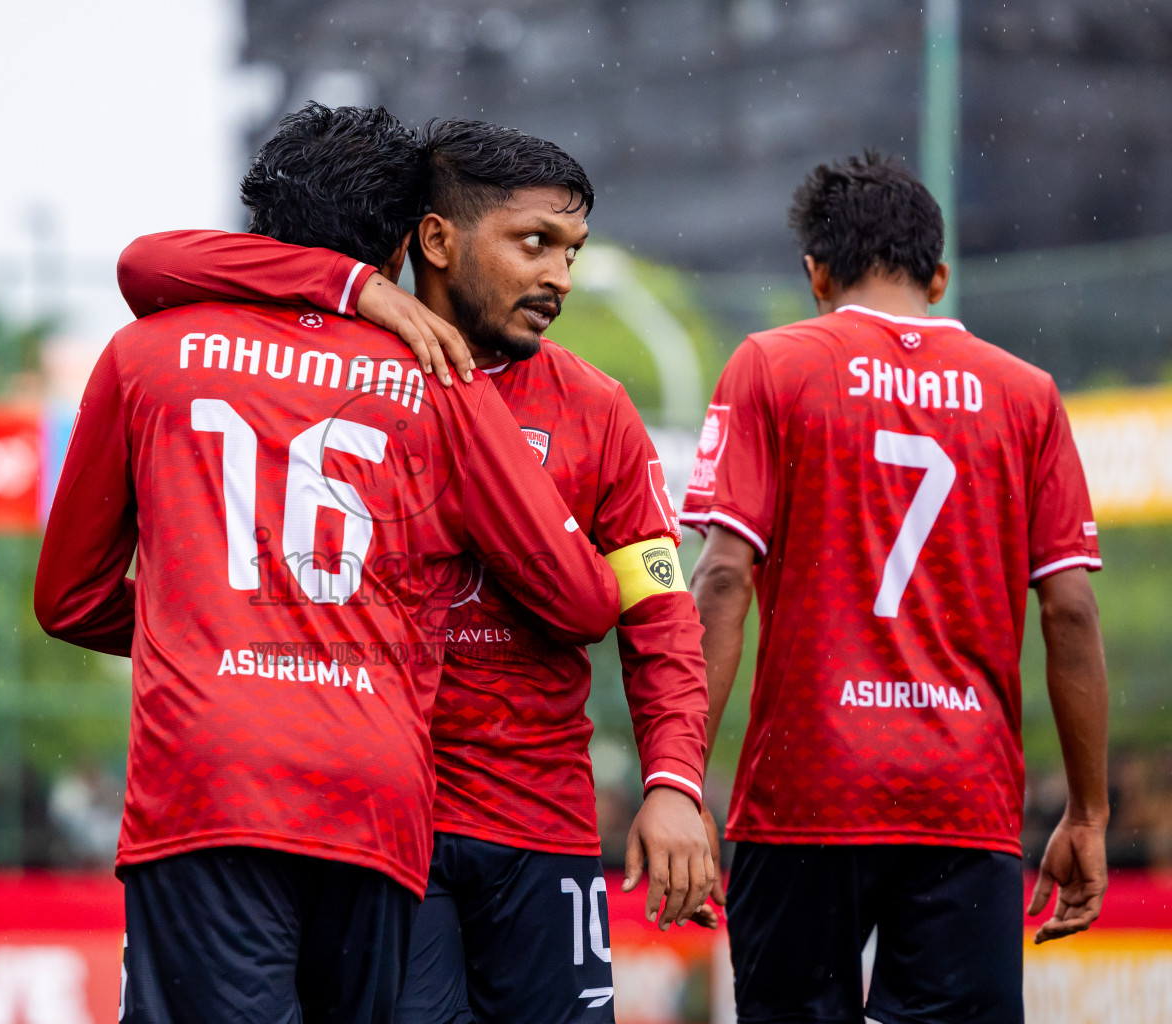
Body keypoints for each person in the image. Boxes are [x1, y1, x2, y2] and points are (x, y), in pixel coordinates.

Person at [116, 117, 714, 1024]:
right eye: (533, 243)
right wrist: (352, 287)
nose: (558, 275)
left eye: (571, 250)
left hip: (542, 823)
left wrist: (672, 780)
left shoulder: (598, 410)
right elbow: (153, 265)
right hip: (397, 823)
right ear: (431, 241)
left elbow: (655, 611)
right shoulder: (357, 371)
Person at [682, 152, 1109, 1024]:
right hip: (963, 796)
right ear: (939, 275)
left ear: (815, 273)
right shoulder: (1027, 395)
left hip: (807, 790)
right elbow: (1069, 610)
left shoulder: (773, 365)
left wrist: (675, 781)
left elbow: (724, 576)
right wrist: (1090, 813)